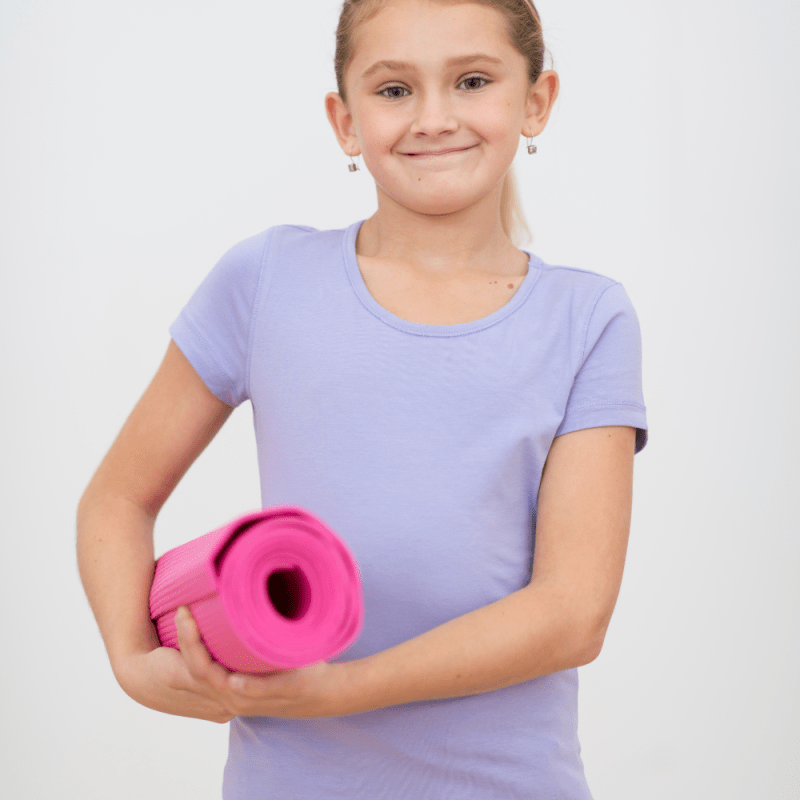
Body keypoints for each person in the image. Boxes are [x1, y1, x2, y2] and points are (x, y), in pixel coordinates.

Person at [76, 0, 649, 797]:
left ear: (536, 101)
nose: (434, 117)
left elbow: (572, 611)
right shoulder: (267, 280)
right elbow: (117, 497)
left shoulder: (587, 319)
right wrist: (131, 661)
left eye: (473, 80)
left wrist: (340, 691)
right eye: (393, 90)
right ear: (344, 121)